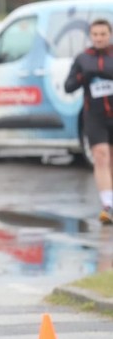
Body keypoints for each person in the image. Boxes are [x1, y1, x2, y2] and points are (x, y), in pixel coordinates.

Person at [65, 18, 113, 223]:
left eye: (103, 34)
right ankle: (108, 205)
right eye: (95, 35)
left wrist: (105, 74)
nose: (99, 38)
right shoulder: (83, 59)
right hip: (94, 117)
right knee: (101, 156)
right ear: (91, 36)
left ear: (109, 35)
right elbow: (69, 86)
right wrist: (82, 77)